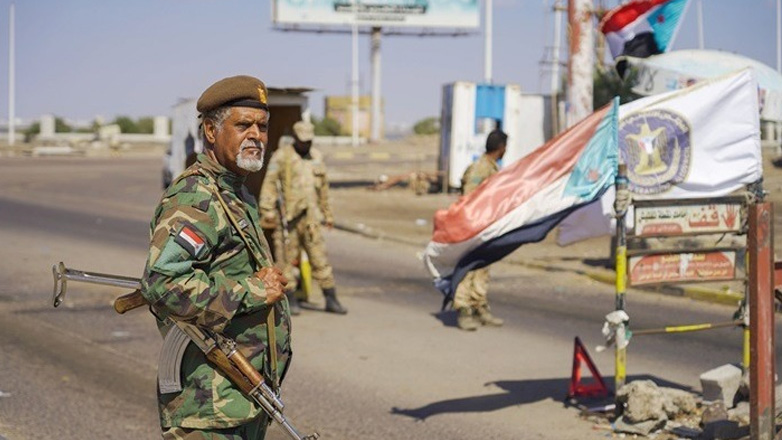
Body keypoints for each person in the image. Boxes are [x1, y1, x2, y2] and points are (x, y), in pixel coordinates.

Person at [140, 75, 291, 439]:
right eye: (243, 125)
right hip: (209, 408)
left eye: (262, 127)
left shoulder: (235, 192)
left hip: (242, 395)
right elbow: (162, 284)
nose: (256, 135)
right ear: (210, 130)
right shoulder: (196, 198)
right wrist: (254, 291)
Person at [260, 120, 347, 316]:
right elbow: (270, 184)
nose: (306, 144)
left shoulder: (316, 157)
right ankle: (290, 299)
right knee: (286, 260)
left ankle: (330, 297)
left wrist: (328, 213)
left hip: (311, 219)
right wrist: (267, 211)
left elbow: (323, 189)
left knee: (319, 258)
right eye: (302, 141)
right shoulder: (282, 156)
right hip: (289, 218)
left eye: (309, 141)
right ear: (295, 138)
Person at [454, 129, 508, 331]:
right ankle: (463, 310)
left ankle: (479, 306)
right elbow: (469, 198)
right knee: (468, 269)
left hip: (486, 226)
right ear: (501, 147)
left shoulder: (492, 167)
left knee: (482, 269)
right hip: (474, 226)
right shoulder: (480, 169)